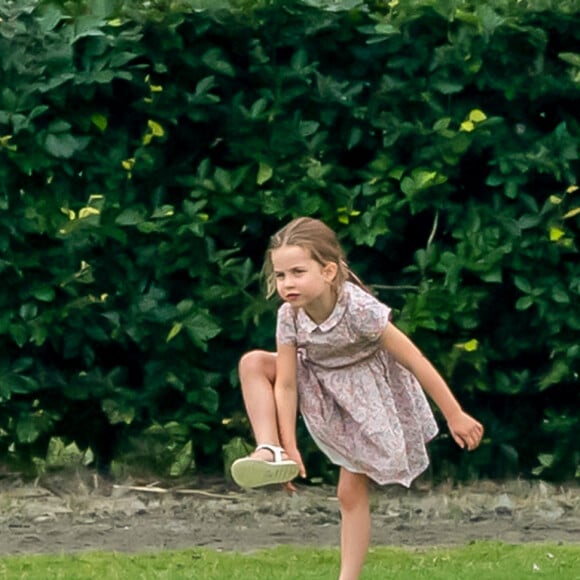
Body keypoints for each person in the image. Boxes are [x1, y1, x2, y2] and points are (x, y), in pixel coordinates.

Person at [231, 216, 484, 580]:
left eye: (298, 272)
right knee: (253, 362)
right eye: (281, 275)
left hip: (369, 395)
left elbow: (414, 359)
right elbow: (285, 384)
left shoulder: (358, 309)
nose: (288, 284)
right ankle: (269, 450)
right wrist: (289, 447)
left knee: (349, 492)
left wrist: (454, 414)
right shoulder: (289, 316)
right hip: (320, 382)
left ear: (329, 271)